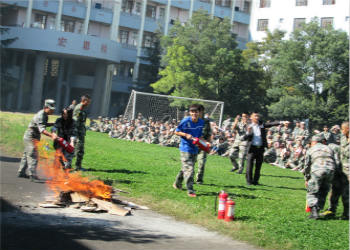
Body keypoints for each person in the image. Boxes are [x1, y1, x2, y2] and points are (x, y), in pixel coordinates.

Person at [17, 99, 58, 181]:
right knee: (33, 154)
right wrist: (52, 135)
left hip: (34, 136)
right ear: (46, 107)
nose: (52, 111)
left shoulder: (45, 115)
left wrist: (53, 123)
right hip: (31, 136)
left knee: (27, 154)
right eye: (51, 109)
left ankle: (21, 172)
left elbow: (43, 124)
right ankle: (32, 175)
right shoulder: (41, 115)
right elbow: (42, 130)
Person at [173, 104, 204, 197]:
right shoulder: (186, 120)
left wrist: (204, 142)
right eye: (192, 112)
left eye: (196, 112)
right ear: (190, 113)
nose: (194, 113)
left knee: (185, 168)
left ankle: (177, 183)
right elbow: (176, 131)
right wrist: (186, 135)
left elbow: (199, 136)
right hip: (185, 148)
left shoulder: (201, 122)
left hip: (195, 148)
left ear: (199, 113)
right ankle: (190, 190)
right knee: (190, 170)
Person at [303, 135, 337, 219]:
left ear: (314, 142)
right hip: (331, 170)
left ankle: (314, 211)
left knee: (312, 191)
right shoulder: (329, 148)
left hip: (317, 170)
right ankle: (318, 209)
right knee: (324, 191)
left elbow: (306, 165)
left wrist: (307, 178)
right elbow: (335, 161)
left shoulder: (311, 149)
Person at [321, 122, 349, 219]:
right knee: (334, 189)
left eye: (343, 129)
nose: (341, 131)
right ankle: (331, 210)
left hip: (348, 172)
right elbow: (341, 150)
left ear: (348, 129)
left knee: (346, 193)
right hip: (340, 168)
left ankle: (347, 213)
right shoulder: (343, 138)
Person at [244, 113, 281, 185]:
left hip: (260, 148)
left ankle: (255, 181)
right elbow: (245, 137)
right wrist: (248, 132)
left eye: (258, 116)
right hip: (252, 148)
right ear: (251, 118)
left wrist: (280, 122)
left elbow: (270, 124)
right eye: (255, 116)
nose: (257, 117)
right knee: (249, 166)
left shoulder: (261, 125)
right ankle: (249, 181)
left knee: (258, 166)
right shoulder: (249, 126)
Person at [73, 94, 91, 171]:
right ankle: (77, 167)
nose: (89, 104)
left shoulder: (83, 108)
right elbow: (75, 121)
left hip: (80, 132)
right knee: (79, 150)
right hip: (77, 133)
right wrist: (76, 135)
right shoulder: (79, 108)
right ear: (83, 101)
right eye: (88, 102)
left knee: (79, 150)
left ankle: (77, 166)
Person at [195, 104, 212, 184]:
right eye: (199, 111)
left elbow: (208, 133)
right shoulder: (193, 120)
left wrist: (209, 143)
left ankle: (199, 180)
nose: (201, 113)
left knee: (201, 164)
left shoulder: (206, 121)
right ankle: (187, 178)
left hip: (203, 145)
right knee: (190, 164)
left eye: (202, 111)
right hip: (193, 144)